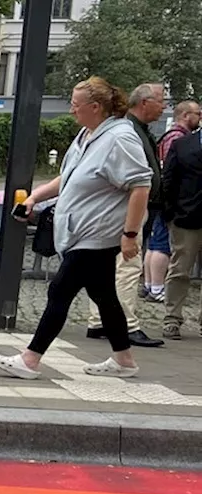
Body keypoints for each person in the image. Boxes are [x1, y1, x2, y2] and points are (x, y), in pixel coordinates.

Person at [0, 77, 151, 380]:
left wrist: (130, 234)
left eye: (76, 106)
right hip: (81, 232)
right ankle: (124, 360)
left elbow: (141, 185)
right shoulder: (88, 134)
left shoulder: (120, 139)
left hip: (96, 234)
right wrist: (36, 196)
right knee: (104, 296)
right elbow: (70, 176)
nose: (71, 110)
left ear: (95, 107)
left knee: (60, 290)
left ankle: (30, 359)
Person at [85, 83, 165, 347]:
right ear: (144, 102)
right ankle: (125, 325)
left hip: (119, 207)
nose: (164, 107)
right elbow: (138, 180)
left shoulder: (128, 129)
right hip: (127, 208)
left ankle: (100, 320)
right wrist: (130, 230)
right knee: (127, 266)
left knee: (107, 267)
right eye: (160, 101)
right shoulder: (128, 131)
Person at [144, 101, 200, 303]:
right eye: (197, 113)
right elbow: (170, 172)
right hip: (172, 203)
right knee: (161, 244)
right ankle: (157, 287)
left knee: (155, 243)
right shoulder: (177, 138)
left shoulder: (174, 136)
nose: (200, 117)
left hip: (169, 202)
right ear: (185, 115)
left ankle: (151, 285)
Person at [160, 111, 202, 340]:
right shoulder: (183, 145)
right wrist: (170, 215)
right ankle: (172, 319)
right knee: (179, 270)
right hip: (187, 218)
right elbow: (169, 180)